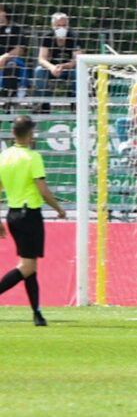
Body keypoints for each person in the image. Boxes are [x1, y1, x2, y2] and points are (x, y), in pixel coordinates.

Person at [0, 116, 66, 326]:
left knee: (31, 266)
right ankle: (36, 312)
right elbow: (42, 189)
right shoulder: (32, 157)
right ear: (30, 134)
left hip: (13, 215)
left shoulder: (4, 156)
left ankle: (37, 313)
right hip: (30, 215)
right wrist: (59, 208)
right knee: (27, 267)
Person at [34, 12, 81, 113]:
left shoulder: (74, 36)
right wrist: (52, 68)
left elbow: (77, 59)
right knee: (38, 71)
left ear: (68, 25)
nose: (61, 28)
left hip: (69, 69)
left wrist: (63, 66)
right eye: (58, 25)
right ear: (53, 26)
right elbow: (41, 59)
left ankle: (75, 103)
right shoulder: (47, 36)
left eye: (64, 25)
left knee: (78, 73)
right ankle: (44, 105)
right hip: (51, 69)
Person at [0, 4, 25, 102]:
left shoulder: (16, 29)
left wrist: (5, 57)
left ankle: (9, 98)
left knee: (12, 66)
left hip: (12, 60)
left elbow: (21, 49)